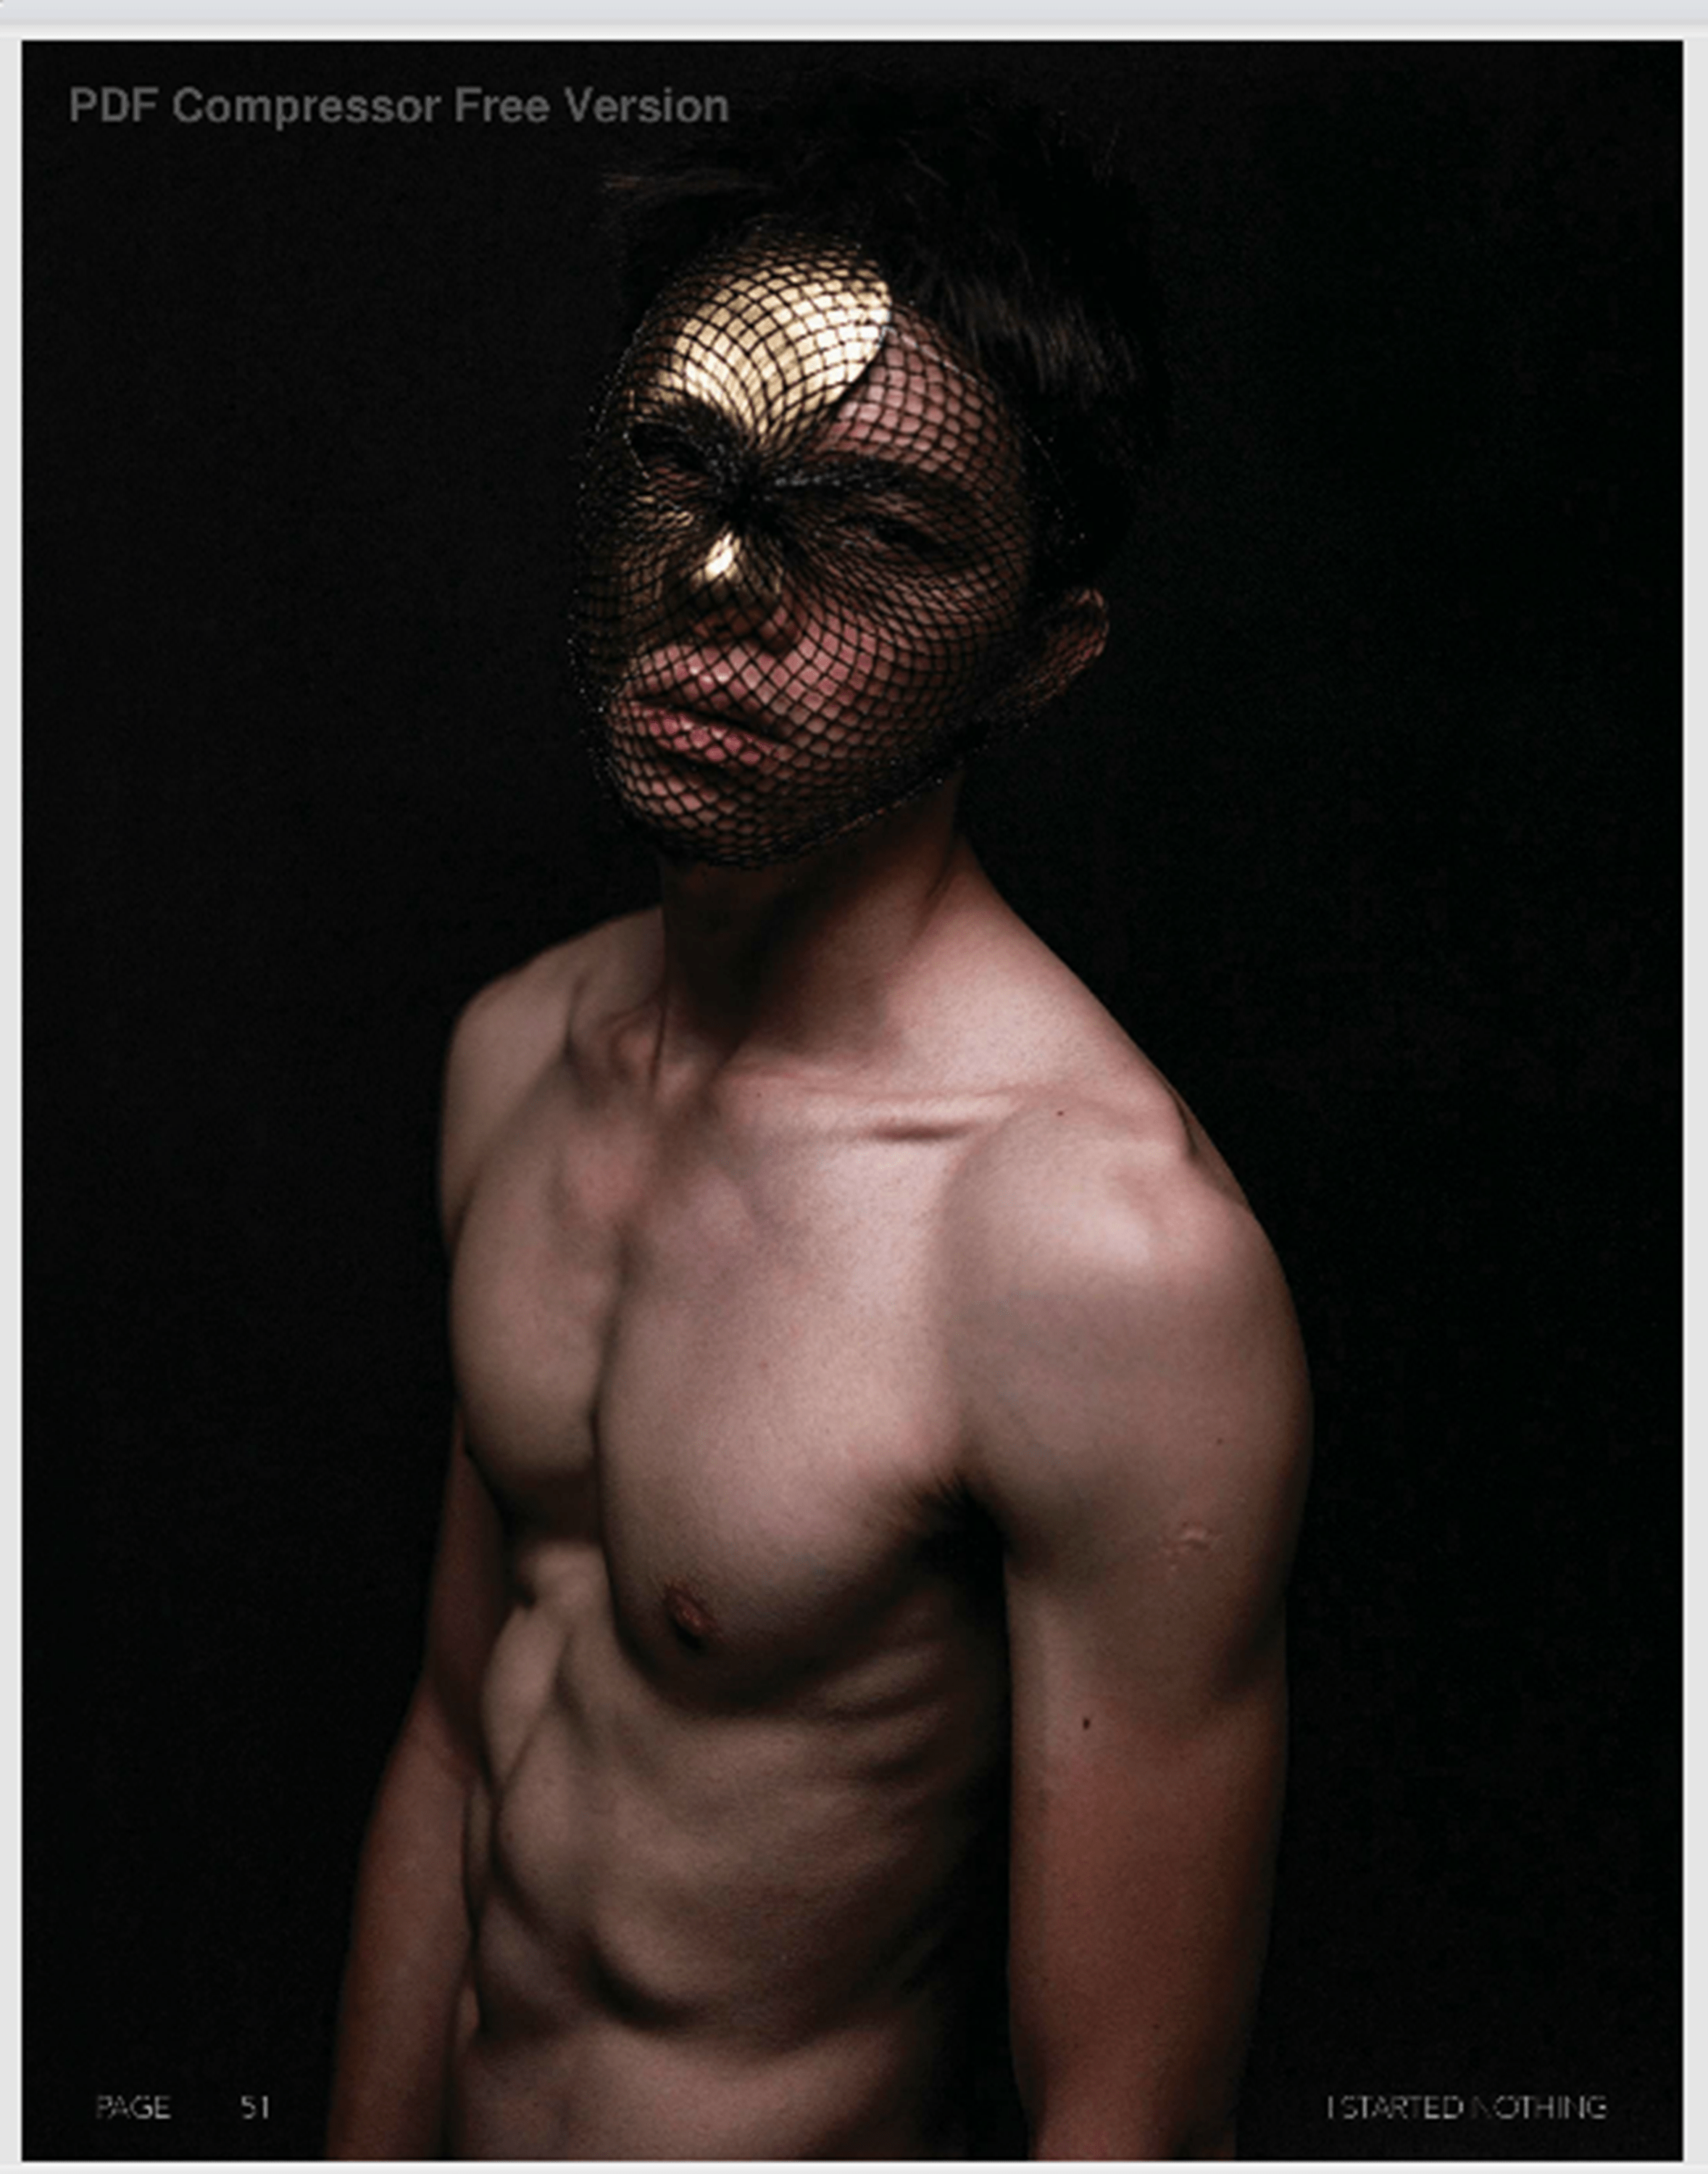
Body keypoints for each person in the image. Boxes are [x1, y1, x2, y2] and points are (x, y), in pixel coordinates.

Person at [327, 86, 1311, 2160]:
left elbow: (1124, 2115)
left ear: (1040, 656)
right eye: (684, 467)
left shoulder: (1092, 1250)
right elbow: (453, 1745)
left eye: (875, 533)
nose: (723, 583)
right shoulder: (518, 1056)